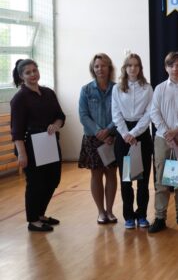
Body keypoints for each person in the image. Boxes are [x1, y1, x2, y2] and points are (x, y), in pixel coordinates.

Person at [11, 59, 65, 232]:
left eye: (35, 70)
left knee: (52, 180)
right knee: (36, 183)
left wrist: (56, 125)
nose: (33, 74)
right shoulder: (19, 98)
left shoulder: (48, 92)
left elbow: (60, 116)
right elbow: (17, 130)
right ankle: (33, 220)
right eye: (28, 72)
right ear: (21, 76)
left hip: (49, 142)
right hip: (30, 146)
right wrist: (22, 154)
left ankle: (40, 214)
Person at [148, 51, 178, 233]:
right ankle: (160, 217)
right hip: (163, 140)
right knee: (161, 179)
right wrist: (166, 132)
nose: (175, 68)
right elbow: (154, 112)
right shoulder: (160, 89)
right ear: (166, 68)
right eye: (171, 65)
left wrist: (175, 130)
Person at [112, 53, 154, 229]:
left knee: (143, 180)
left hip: (142, 134)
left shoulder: (147, 88)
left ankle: (142, 215)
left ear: (140, 68)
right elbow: (116, 114)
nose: (133, 68)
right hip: (124, 136)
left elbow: (149, 114)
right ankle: (129, 216)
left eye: (136, 65)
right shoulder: (117, 89)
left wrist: (134, 133)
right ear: (125, 68)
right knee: (126, 179)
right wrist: (126, 134)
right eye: (129, 65)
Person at [78, 53, 119, 225]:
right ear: (92, 69)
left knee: (111, 174)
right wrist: (98, 132)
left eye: (103, 65)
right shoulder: (86, 90)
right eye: (96, 66)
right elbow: (83, 115)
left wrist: (108, 131)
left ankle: (110, 211)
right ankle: (101, 212)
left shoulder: (118, 88)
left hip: (112, 138)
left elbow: (120, 113)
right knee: (96, 175)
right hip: (93, 138)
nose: (100, 69)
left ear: (109, 68)